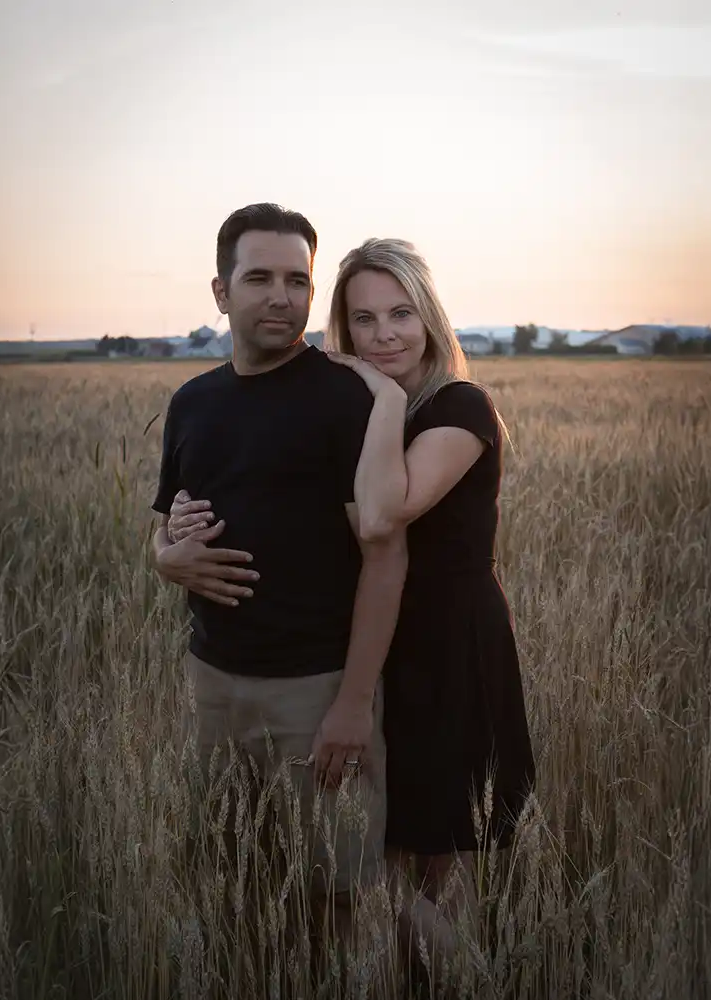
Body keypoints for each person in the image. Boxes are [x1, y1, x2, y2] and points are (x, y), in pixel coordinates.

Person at [165, 236, 536, 978]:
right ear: (343, 328)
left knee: (428, 863)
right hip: (368, 646)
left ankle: (480, 983)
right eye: (364, 321)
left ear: (430, 318)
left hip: (445, 653)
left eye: (401, 314)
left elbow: (379, 518)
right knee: (372, 851)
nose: (385, 334)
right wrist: (169, 548)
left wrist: (385, 393)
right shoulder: (356, 412)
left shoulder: (457, 407)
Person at [149, 204, 409, 954]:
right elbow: (162, 520)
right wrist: (165, 558)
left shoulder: (341, 396)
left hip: (317, 685)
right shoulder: (192, 402)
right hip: (213, 680)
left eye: (297, 279)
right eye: (258, 277)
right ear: (221, 292)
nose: (281, 296)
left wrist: (355, 703)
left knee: (339, 894)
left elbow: (385, 555)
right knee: (230, 875)